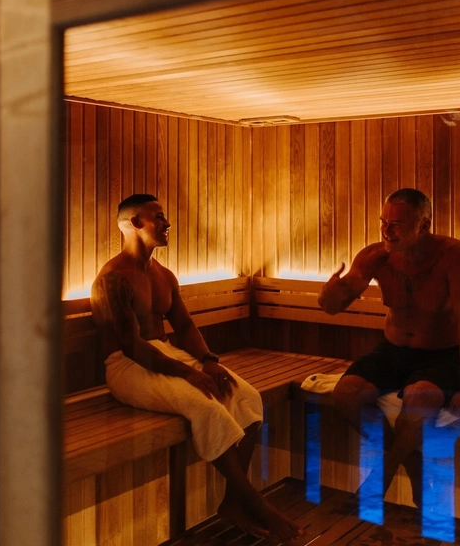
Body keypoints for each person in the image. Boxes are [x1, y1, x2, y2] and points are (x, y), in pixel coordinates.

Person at [91, 194, 303, 542]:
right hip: (126, 367)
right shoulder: (113, 278)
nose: (167, 223)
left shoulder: (164, 275)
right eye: (158, 217)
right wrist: (188, 373)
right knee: (205, 407)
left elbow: (185, 327)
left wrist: (208, 361)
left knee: (246, 397)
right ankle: (255, 502)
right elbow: (130, 346)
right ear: (134, 224)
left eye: (164, 217)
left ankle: (232, 503)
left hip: (168, 357)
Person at [318, 188, 460, 508]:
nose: (386, 231)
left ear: (423, 225)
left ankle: (380, 478)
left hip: (442, 354)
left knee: (419, 397)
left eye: (396, 225)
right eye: (383, 222)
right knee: (346, 394)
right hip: (393, 349)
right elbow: (335, 306)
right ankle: (412, 467)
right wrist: (328, 295)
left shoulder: (455, 258)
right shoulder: (375, 257)